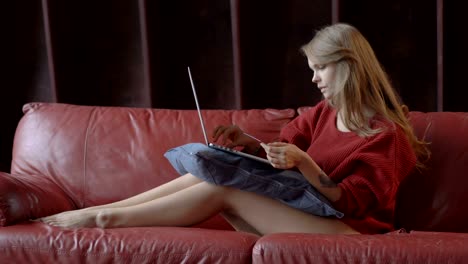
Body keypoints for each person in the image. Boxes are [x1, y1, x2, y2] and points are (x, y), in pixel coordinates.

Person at [39, 23, 428, 235]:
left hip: (351, 233)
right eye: (312, 70)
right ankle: (99, 210)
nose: (314, 80)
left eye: (319, 69)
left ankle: (103, 221)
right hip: (310, 213)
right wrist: (253, 145)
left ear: (346, 65)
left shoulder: (386, 135)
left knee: (223, 187)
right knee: (209, 166)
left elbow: (351, 203)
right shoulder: (326, 111)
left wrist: (305, 162)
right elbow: (288, 146)